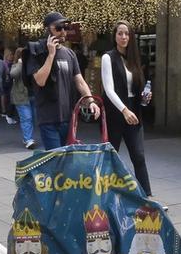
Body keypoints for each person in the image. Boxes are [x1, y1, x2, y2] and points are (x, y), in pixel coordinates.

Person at [26, 11, 99, 149]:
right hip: (48, 117)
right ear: (47, 30)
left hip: (68, 116)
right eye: (58, 28)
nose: (63, 31)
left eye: (65, 27)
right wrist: (51, 54)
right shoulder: (36, 51)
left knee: (66, 158)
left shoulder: (70, 54)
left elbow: (80, 81)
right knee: (57, 158)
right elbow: (40, 81)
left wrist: (90, 101)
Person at [101, 21, 155, 199]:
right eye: (120, 33)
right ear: (114, 36)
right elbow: (109, 90)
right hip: (115, 112)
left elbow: (137, 89)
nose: (124, 37)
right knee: (110, 156)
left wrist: (144, 98)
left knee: (139, 156)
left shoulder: (135, 59)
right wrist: (124, 110)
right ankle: (104, 195)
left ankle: (146, 197)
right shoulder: (108, 57)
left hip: (134, 110)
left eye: (127, 34)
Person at [8, 47, 35, 149]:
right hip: (21, 96)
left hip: (32, 95)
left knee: (32, 118)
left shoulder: (31, 65)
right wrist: (20, 64)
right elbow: (13, 74)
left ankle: (27, 137)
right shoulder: (17, 65)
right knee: (27, 118)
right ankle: (28, 139)